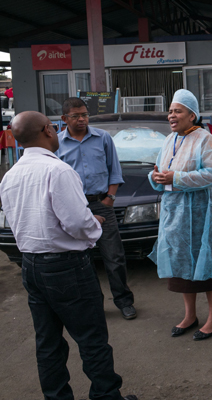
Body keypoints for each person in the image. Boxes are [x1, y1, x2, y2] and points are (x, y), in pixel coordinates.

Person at [0, 111, 138, 400]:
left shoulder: (10, 176)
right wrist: (94, 226)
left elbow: (16, 222)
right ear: (48, 130)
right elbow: (77, 223)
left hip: (32, 265)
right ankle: (106, 396)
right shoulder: (59, 171)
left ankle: (57, 396)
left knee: (48, 342)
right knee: (92, 339)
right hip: (66, 267)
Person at [149, 89, 212, 341]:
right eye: (170, 111)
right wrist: (156, 177)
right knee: (181, 264)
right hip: (174, 214)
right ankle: (190, 315)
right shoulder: (169, 140)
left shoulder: (206, 139)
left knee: (206, 263)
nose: (171, 115)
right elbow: (160, 169)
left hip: (200, 214)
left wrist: (176, 178)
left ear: (192, 115)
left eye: (177, 111)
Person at [57, 97, 136, 320]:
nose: (82, 119)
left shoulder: (103, 138)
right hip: (73, 207)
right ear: (64, 119)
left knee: (114, 256)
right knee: (81, 259)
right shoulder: (56, 144)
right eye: (76, 116)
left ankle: (124, 301)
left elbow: (115, 170)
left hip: (101, 204)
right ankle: (93, 305)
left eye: (84, 114)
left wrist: (109, 198)